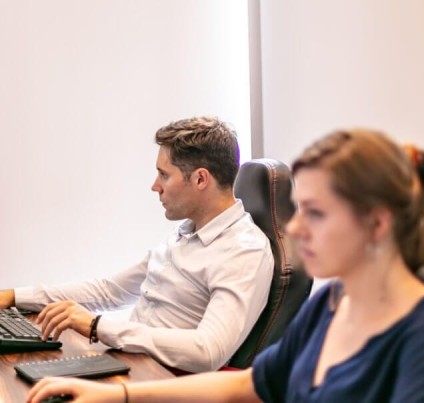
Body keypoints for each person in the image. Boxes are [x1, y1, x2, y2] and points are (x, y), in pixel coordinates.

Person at [27, 129, 424, 402]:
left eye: (316, 214)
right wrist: (118, 395)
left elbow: (214, 360)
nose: (294, 231)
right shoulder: (332, 307)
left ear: (375, 224)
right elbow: (247, 386)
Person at [0, 116, 274, 373]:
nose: (155, 186)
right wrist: (14, 296)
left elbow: (208, 351)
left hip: (164, 383)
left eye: (164, 175)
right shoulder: (187, 233)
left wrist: (97, 326)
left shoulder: (243, 250)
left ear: (201, 179)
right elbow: (110, 291)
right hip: (131, 363)